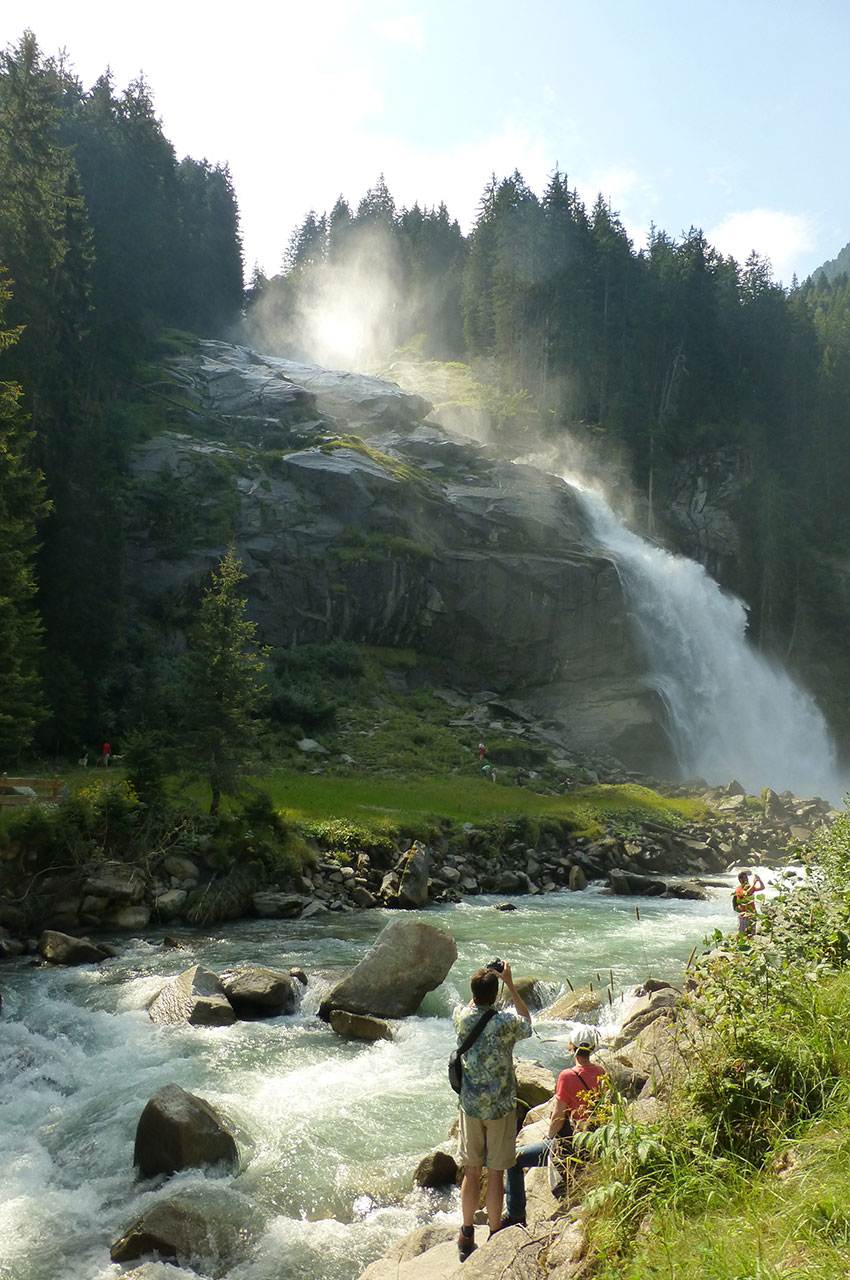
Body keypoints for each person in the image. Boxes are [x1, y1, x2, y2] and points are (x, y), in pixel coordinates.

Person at [453, 962, 532, 1261]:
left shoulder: (461, 1018)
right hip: (500, 1107)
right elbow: (527, 1023)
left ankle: (466, 1232)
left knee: (471, 1172)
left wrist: (485, 979)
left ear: (473, 992)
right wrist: (509, 984)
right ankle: (495, 1235)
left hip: (470, 1107)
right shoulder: (504, 1023)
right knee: (495, 1174)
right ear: (496, 993)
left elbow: (473, 1004)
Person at [503, 1025, 607, 1227]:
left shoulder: (567, 1076)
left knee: (513, 1160)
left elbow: (558, 1116)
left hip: (570, 1144)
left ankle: (515, 1214)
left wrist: (549, 1138)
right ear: (593, 1048)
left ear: (571, 1047)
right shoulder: (601, 1072)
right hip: (593, 1143)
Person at [734, 869, 765, 936]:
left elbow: (762, 887)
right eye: (745, 878)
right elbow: (746, 893)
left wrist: (759, 880)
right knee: (742, 934)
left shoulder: (749, 887)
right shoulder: (739, 889)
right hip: (743, 916)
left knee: (751, 935)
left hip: (752, 915)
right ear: (740, 880)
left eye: (747, 878)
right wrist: (753, 883)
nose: (747, 879)